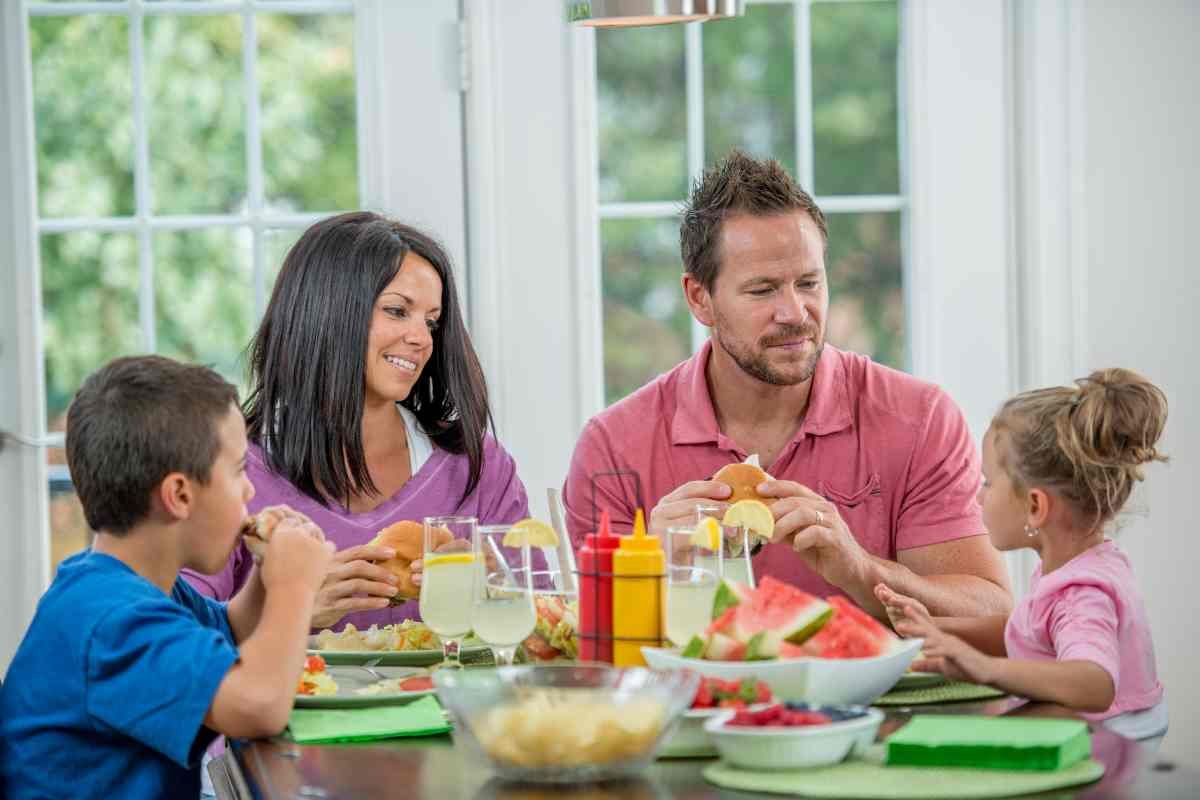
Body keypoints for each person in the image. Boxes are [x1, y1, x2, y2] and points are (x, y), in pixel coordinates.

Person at [563, 151, 1011, 618]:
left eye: (809, 283)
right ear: (700, 299)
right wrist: (649, 569)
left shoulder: (920, 419)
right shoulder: (613, 446)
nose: (795, 313)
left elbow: (993, 617)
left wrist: (860, 570)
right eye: (762, 290)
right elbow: (586, 646)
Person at [0, 356, 332, 798]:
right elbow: (259, 705)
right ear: (178, 495)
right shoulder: (110, 621)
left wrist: (267, 577)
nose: (251, 490)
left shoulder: (131, 585)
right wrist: (296, 585)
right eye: (238, 472)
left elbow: (231, 631)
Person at [184, 212, 528, 631]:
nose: (422, 338)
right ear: (327, 312)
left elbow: (536, 623)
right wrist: (290, 611)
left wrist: (491, 590)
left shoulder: (478, 468)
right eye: (398, 311)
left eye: (432, 321)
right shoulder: (230, 472)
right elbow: (173, 646)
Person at [877, 369, 1168, 739]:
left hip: (1109, 746)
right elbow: (1028, 631)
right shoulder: (1074, 565)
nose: (979, 496)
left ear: (1034, 506)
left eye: (989, 483)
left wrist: (985, 667)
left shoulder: (1082, 592)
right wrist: (935, 630)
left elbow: (1094, 683)